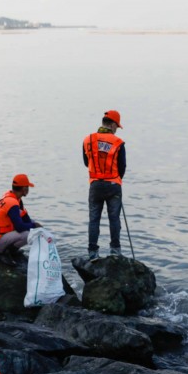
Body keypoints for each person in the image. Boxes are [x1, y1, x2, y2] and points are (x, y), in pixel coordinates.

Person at [82, 109, 126, 260]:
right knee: (114, 219)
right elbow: (122, 167)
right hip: (113, 185)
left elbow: (85, 162)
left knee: (94, 219)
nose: (116, 130)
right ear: (113, 124)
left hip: (95, 185)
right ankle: (115, 251)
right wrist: (117, 181)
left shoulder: (88, 139)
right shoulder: (118, 142)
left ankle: (93, 253)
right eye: (117, 126)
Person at [0, 174, 41, 267]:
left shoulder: (12, 197)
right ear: (24, 189)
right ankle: (4, 253)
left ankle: (12, 250)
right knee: (28, 234)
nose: (28, 189)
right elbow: (19, 227)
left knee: (31, 224)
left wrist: (35, 225)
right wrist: (34, 226)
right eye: (27, 187)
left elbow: (26, 218)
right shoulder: (12, 204)